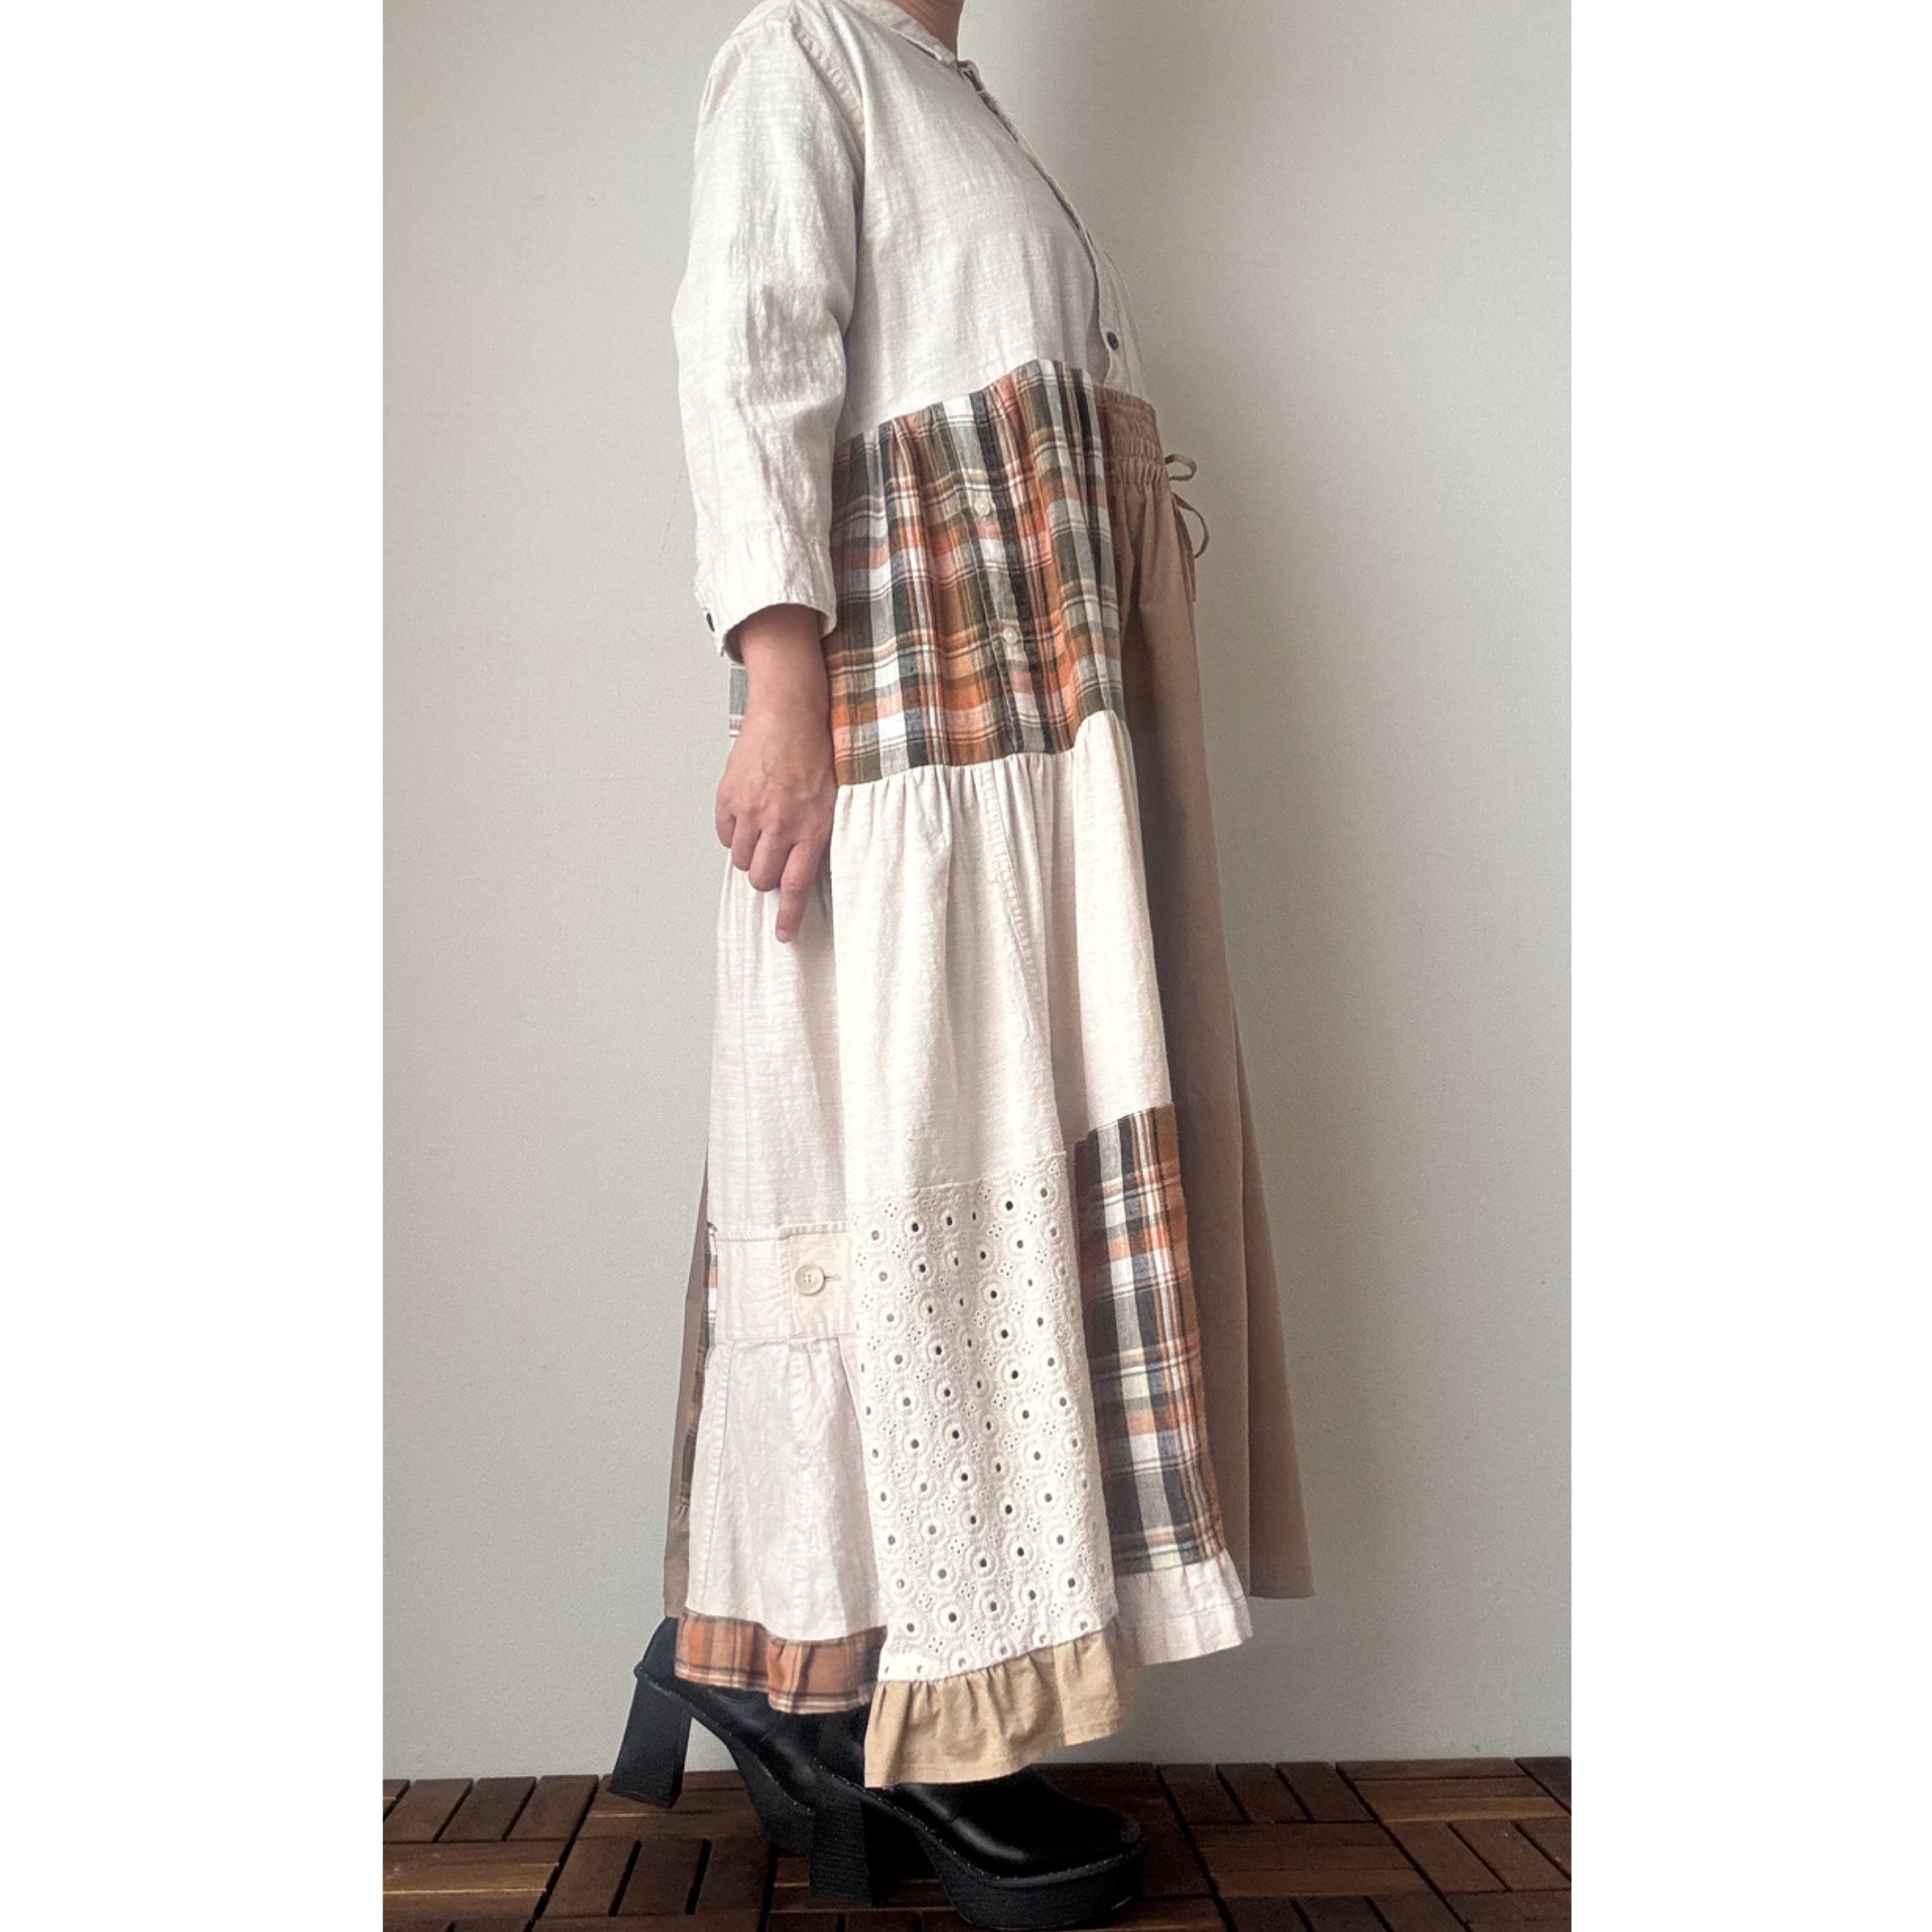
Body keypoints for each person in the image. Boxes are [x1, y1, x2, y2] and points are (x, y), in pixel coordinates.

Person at [613, 2, 1313, 1923]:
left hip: (1021, 736)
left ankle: (825, 1683)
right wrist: (779, 684)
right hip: (918, 743)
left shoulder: (949, 93)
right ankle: (911, 1713)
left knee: (941, 1173)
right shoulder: (805, 48)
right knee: (912, 1172)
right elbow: (747, 345)